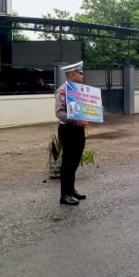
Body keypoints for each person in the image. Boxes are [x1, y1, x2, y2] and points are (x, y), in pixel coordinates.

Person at [55, 61, 88, 205]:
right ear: (71, 75)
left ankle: (71, 190)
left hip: (79, 129)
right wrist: (76, 120)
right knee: (68, 162)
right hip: (68, 129)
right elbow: (59, 113)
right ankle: (65, 195)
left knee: (75, 160)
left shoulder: (79, 90)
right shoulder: (63, 91)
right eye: (80, 73)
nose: (82, 75)